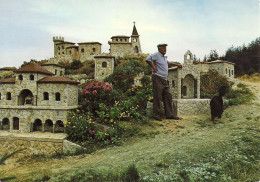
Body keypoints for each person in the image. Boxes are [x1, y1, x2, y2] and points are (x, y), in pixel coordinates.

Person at [146, 44, 182, 121]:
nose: (165, 49)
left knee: (168, 95)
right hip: (157, 78)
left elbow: (168, 63)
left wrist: (177, 65)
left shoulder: (163, 57)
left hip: (164, 79)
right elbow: (147, 59)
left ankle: (169, 115)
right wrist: (154, 68)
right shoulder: (156, 55)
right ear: (159, 48)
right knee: (157, 96)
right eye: (163, 48)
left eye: (165, 48)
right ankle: (156, 115)